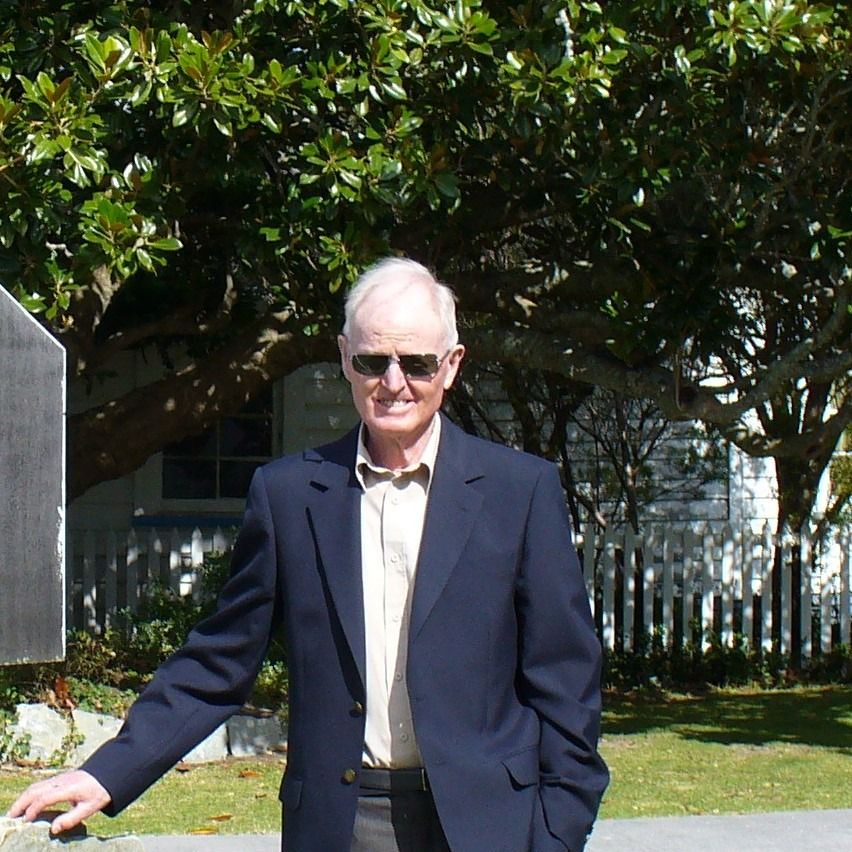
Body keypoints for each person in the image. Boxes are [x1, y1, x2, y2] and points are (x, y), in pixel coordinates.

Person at [8, 257, 608, 851]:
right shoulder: (289, 495)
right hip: (341, 823)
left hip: (489, 825)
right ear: (345, 357)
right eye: (372, 361)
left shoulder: (519, 491)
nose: (393, 382)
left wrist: (558, 832)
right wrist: (106, 774)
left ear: (450, 366)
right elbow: (220, 661)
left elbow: (565, 680)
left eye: (416, 363)